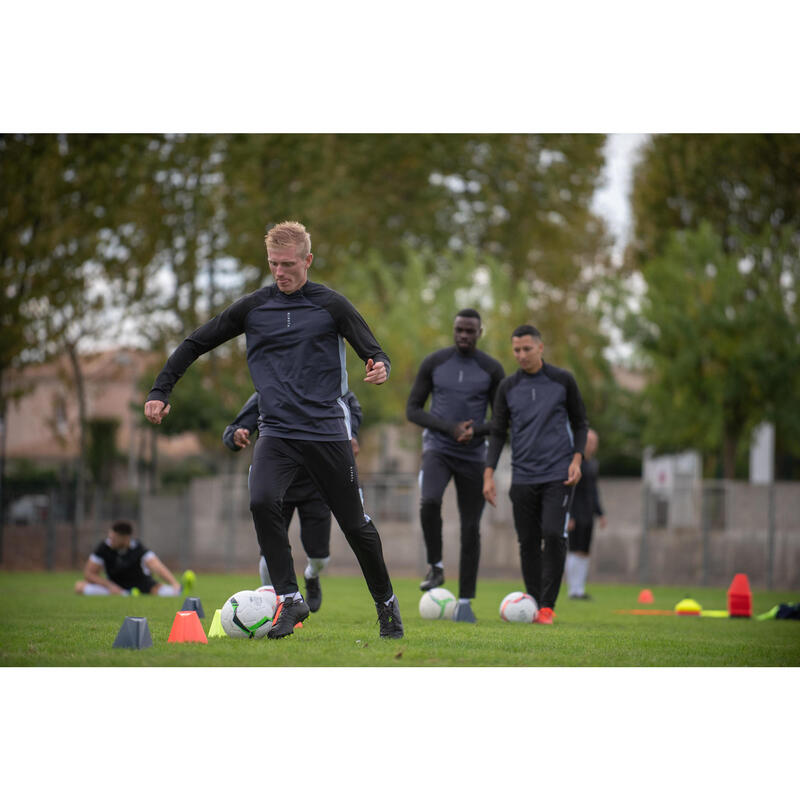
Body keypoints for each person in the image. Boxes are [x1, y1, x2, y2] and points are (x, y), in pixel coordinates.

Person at [144, 220, 403, 639]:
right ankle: (288, 597)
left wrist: (379, 368)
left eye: (288, 264)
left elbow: (373, 352)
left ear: (308, 261)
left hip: (326, 433)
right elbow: (196, 342)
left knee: (355, 526)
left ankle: (387, 605)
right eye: (273, 264)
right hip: (277, 433)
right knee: (262, 500)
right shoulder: (252, 308)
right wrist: (161, 389)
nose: (280, 272)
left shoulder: (332, 305)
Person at [482, 325, 588, 625]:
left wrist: (577, 459)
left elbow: (580, 423)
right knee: (527, 542)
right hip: (523, 476)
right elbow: (498, 433)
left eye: (527, 349)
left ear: (540, 348)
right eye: (516, 350)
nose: (521, 355)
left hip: (558, 473)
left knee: (553, 534)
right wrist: (488, 474)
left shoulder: (562, 380)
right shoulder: (507, 387)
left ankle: (547, 607)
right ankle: (533, 603)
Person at [223, 389, 363, 613]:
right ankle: (270, 604)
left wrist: (352, 435)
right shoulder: (270, 389)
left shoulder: (329, 389)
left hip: (316, 485)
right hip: (278, 485)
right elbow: (235, 428)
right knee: (269, 551)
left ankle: (311, 576)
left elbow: (352, 407)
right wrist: (235, 435)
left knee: (320, 558)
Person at [406, 308, 505, 622]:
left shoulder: (491, 369)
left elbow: (504, 420)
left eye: (470, 331)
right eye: (459, 330)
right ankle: (435, 566)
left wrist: (475, 430)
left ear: (480, 332)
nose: (464, 335)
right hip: (438, 448)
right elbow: (412, 410)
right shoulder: (435, 363)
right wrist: (449, 428)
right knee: (429, 500)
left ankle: (465, 602)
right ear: (453, 329)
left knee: (470, 528)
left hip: (474, 456)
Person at [74, 519, 194, 596]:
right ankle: (126, 594)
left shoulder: (138, 548)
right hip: (116, 587)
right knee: (79, 587)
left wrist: (174, 582)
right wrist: (110, 586)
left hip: (142, 586)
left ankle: (179, 590)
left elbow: (157, 566)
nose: (110, 541)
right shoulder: (104, 547)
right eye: (109, 537)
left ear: (125, 538)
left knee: (162, 591)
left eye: (113, 538)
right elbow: (89, 574)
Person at [565, 428, 606, 600]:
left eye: (594, 442)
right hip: (576, 514)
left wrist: (600, 513)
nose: (591, 445)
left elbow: (594, 491)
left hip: (588, 514)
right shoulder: (574, 464)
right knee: (573, 550)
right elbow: (568, 489)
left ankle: (580, 589)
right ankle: (572, 589)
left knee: (584, 551)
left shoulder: (593, 464)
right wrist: (569, 515)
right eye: (589, 441)